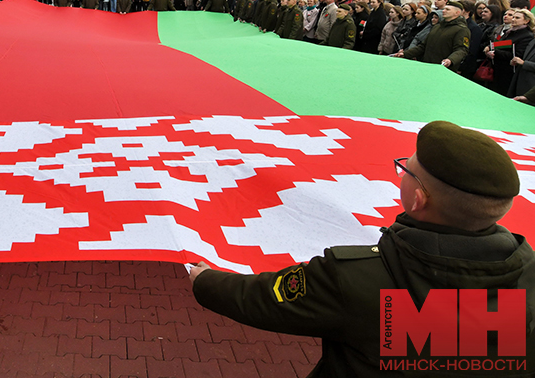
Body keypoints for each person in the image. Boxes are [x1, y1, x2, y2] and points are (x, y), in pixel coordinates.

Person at [190, 121, 534, 378]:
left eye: (406, 170)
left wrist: (203, 280)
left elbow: (260, 299)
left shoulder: (354, 277)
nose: (402, 174)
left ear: (417, 199)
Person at [397, 1, 470, 70]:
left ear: (457, 13)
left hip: (444, 68)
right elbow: (423, 46)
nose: (443, 11)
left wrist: (450, 60)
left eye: (447, 9)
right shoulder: (437, 27)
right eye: (444, 9)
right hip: (428, 65)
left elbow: (461, 49)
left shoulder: (461, 30)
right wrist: (405, 54)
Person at [486, 8, 535, 97]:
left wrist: (496, 53)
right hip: (498, 69)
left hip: (509, 72)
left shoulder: (526, 36)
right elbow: (500, 44)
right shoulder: (509, 32)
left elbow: (517, 55)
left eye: (517, 18)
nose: (513, 19)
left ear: (526, 21)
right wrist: (490, 48)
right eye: (513, 17)